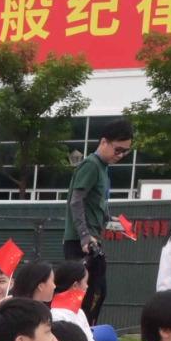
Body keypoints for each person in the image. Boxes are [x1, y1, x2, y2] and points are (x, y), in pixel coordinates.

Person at [61, 119, 131, 323]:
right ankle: (80, 340)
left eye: (125, 152)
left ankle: (86, 338)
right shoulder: (91, 165)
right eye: (118, 149)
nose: (120, 155)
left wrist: (114, 221)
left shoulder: (103, 168)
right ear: (104, 142)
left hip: (91, 239)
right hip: (80, 243)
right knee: (85, 296)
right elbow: (75, 201)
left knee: (97, 293)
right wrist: (84, 236)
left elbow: (94, 204)